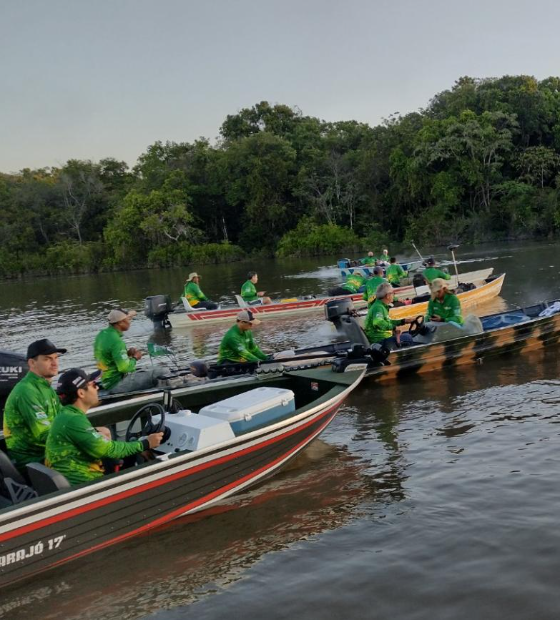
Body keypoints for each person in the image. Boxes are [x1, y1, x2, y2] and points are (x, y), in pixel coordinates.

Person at [46, 368, 163, 485]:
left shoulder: (66, 415)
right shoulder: (73, 419)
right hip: (87, 485)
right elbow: (107, 450)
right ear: (81, 393)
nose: (97, 388)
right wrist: (145, 444)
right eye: (93, 385)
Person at [3, 339, 66, 474]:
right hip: (33, 460)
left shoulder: (45, 387)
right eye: (47, 359)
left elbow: (64, 419)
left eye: (56, 358)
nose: (55, 363)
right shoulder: (27, 391)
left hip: (47, 451)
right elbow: (43, 434)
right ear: (32, 363)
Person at [94, 308, 159, 394]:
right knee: (159, 372)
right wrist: (135, 358)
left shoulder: (101, 335)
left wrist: (127, 354)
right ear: (120, 322)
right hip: (116, 384)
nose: (130, 322)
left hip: (106, 381)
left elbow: (107, 357)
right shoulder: (116, 341)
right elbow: (124, 368)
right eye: (128, 319)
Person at [364, 283, 414, 350]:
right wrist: (393, 327)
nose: (394, 295)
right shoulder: (378, 307)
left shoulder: (380, 306)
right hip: (379, 341)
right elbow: (378, 322)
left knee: (406, 334)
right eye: (393, 293)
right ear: (387, 296)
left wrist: (403, 321)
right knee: (408, 337)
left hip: (381, 338)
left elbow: (387, 321)